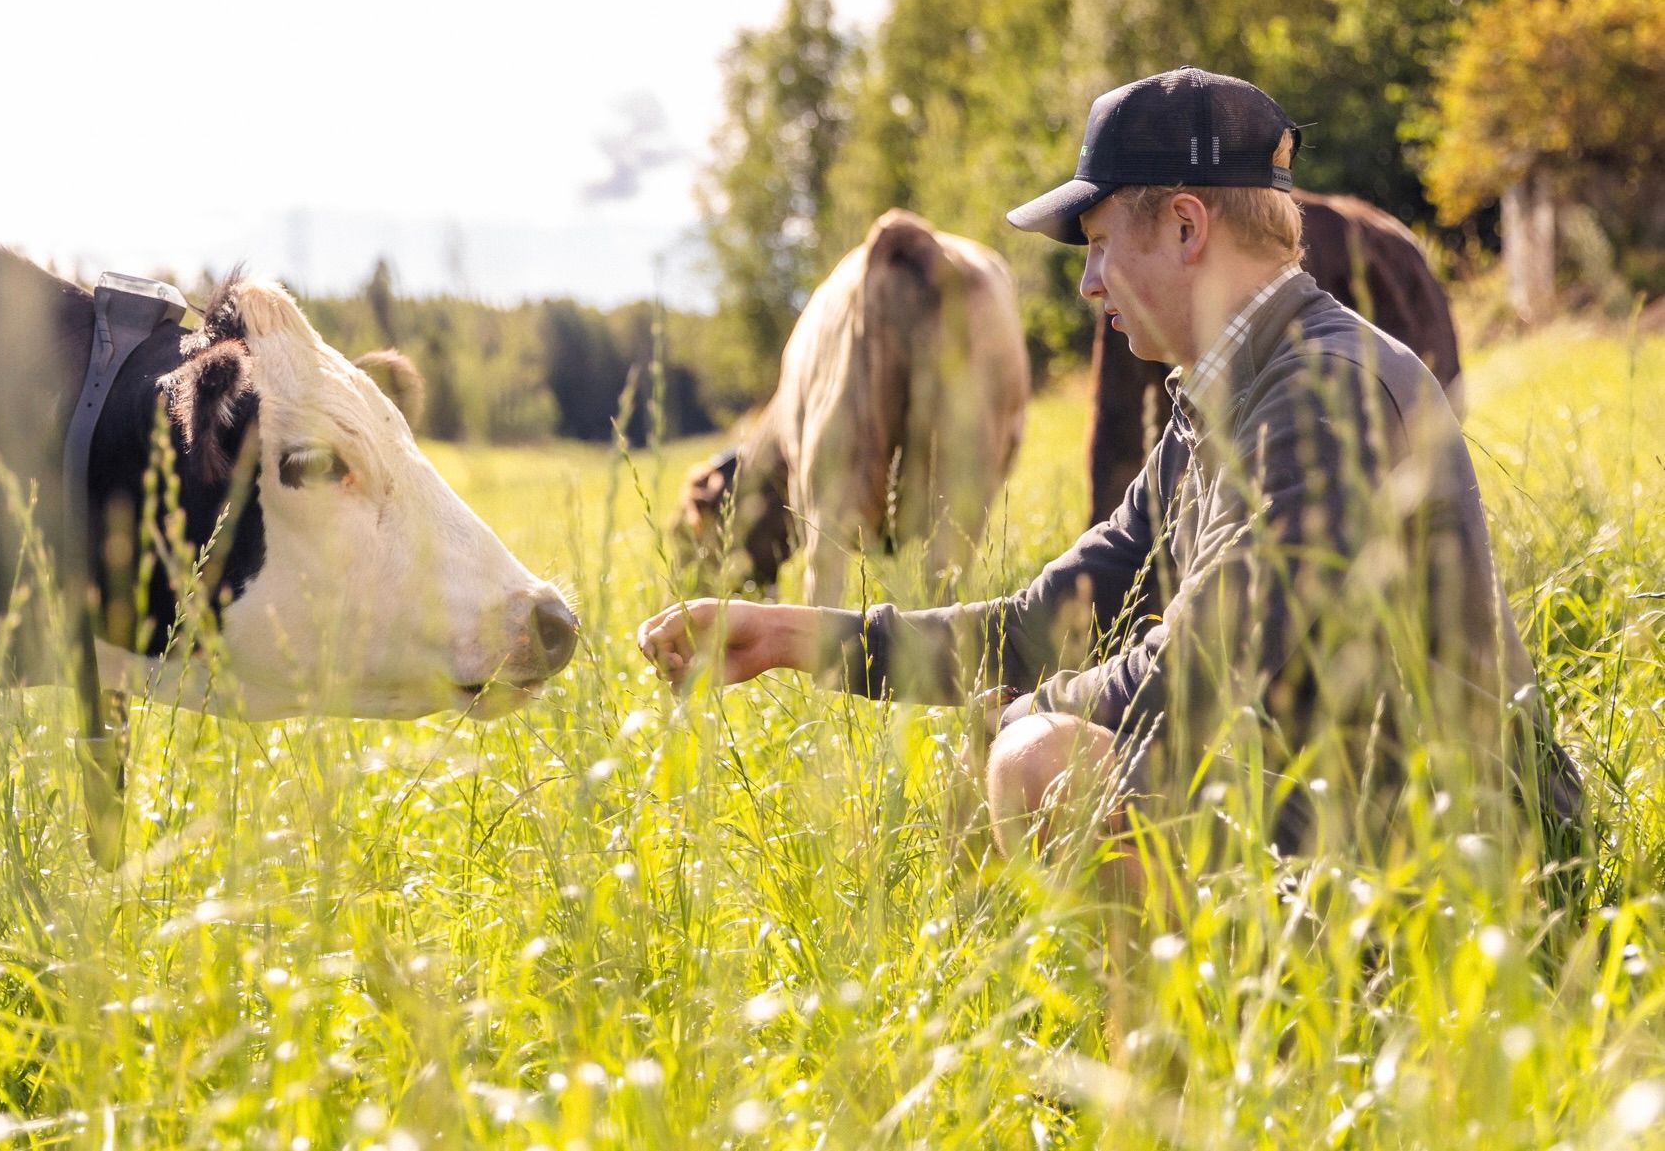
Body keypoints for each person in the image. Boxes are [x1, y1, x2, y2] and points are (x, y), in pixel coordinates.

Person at [639, 67, 1583, 871]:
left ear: (1184, 227)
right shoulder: (1221, 396)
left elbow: (1192, 676)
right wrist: (794, 637)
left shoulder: (1321, 397)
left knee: (1038, 758)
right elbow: (1050, 617)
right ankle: (1073, 1044)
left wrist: (1013, 715)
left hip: (1457, 855)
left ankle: (1172, 1075)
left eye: (1095, 246)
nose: (1088, 286)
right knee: (1020, 744)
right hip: (1337, 800)